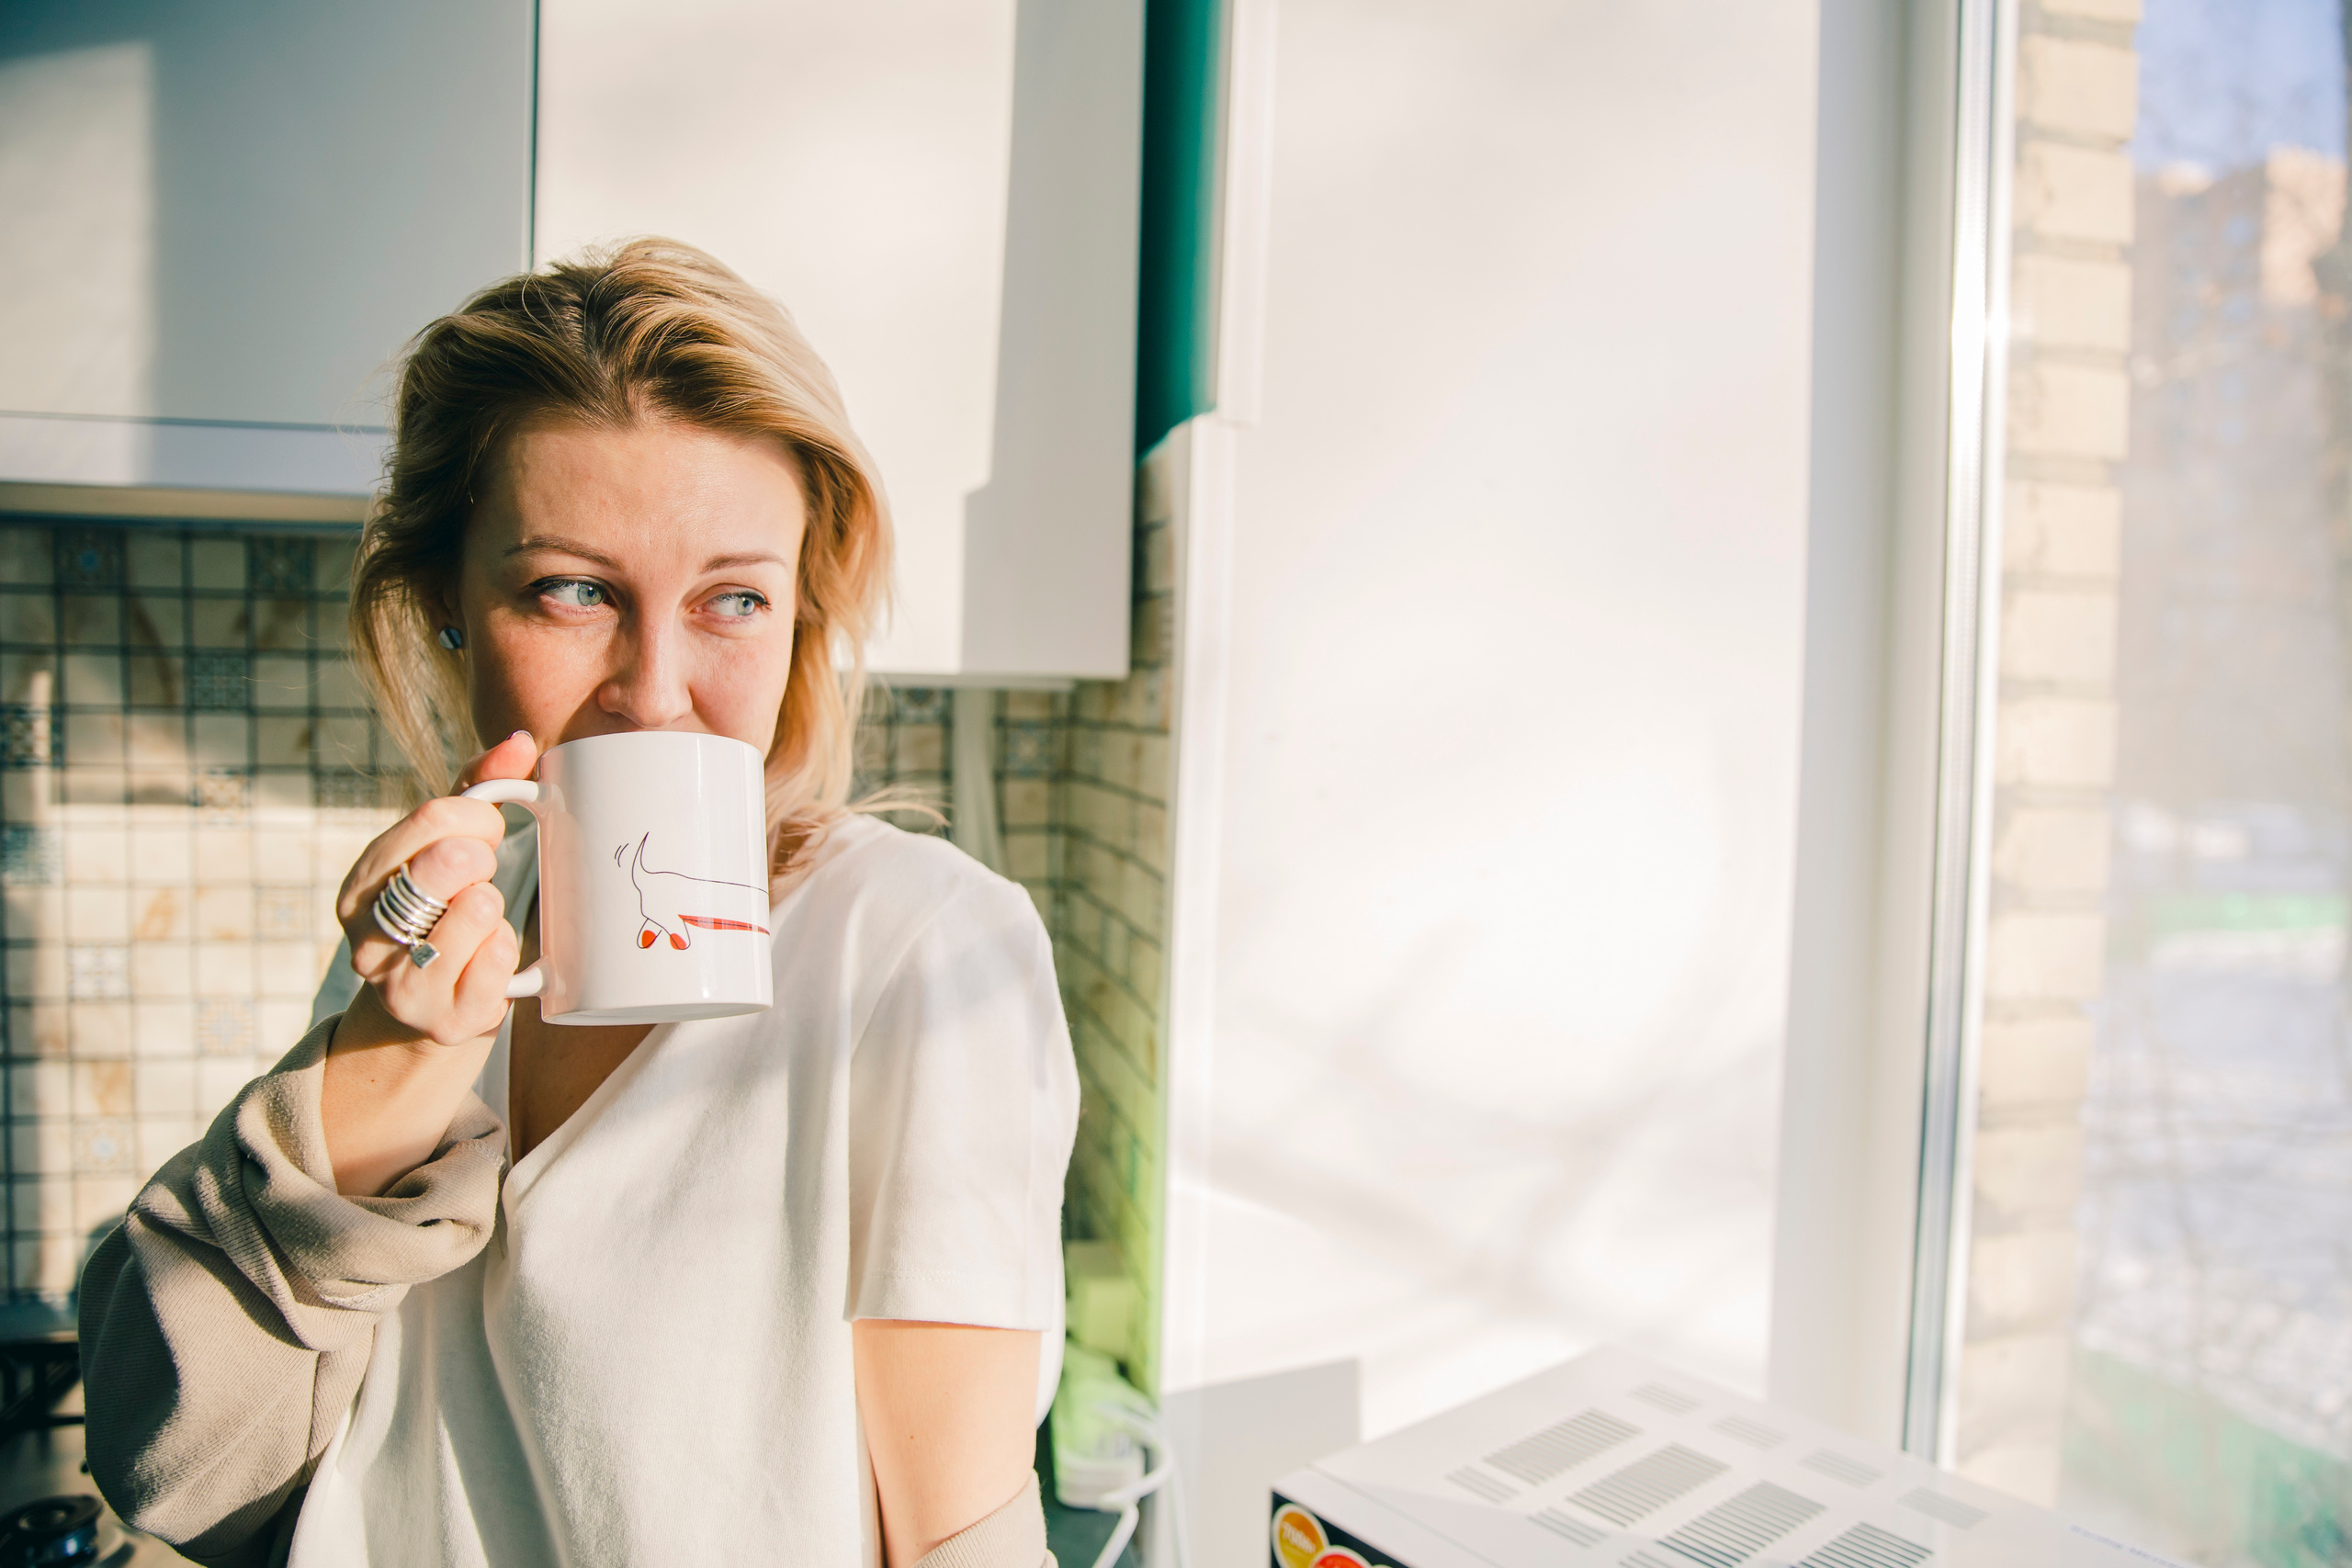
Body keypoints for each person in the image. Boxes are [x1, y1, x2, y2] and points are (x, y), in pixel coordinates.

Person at [76, 240, 1079, 1568]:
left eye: (734, 600)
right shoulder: (445, 947)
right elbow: (175, 1473)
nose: (656, 689)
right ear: (445, 601)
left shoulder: (924, 954)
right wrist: (388, 1067)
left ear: (800, 621)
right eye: (572, 591)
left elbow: (965, 1546)